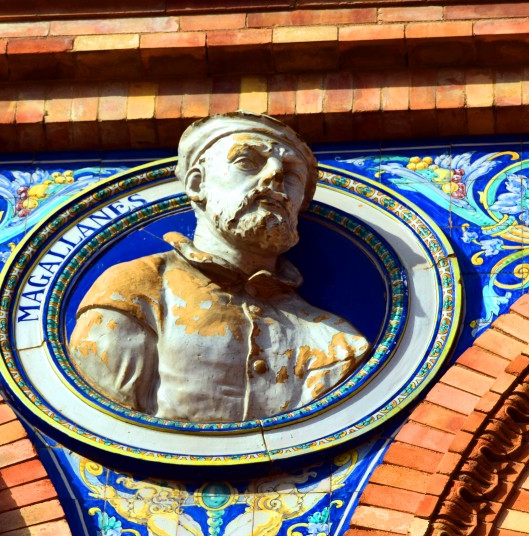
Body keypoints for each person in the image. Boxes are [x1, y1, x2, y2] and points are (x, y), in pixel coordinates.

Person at [69, 111, 368, 423]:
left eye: (291, 176)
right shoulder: (133, 291)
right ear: (198, 183)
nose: (275, 176)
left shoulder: (337, 341)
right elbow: (112, 424)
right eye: (247, 162)